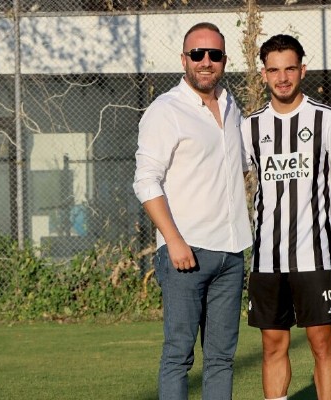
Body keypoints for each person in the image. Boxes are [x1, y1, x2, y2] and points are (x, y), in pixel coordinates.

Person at [133, 22, 253, 400]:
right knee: (178, 356)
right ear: (184, 59)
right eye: (197, 54)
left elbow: (241, 169)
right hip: (185, 253)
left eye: (214, 55)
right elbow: (146, 181)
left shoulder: (232, 107)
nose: (205, 61)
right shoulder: (165, 110)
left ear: (224, 61)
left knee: (221, 359)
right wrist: (173, 240)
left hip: (231, 252)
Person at [241, 34, 331, 400]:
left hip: (315, 254)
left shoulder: (326, 118)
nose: (282, 78)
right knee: (272, 345)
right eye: (274, 70)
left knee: (321, 342)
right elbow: (232, 182)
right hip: (266, 258)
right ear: (264, 74)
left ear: (302, 70)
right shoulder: (250, 127)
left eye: (290, 69)